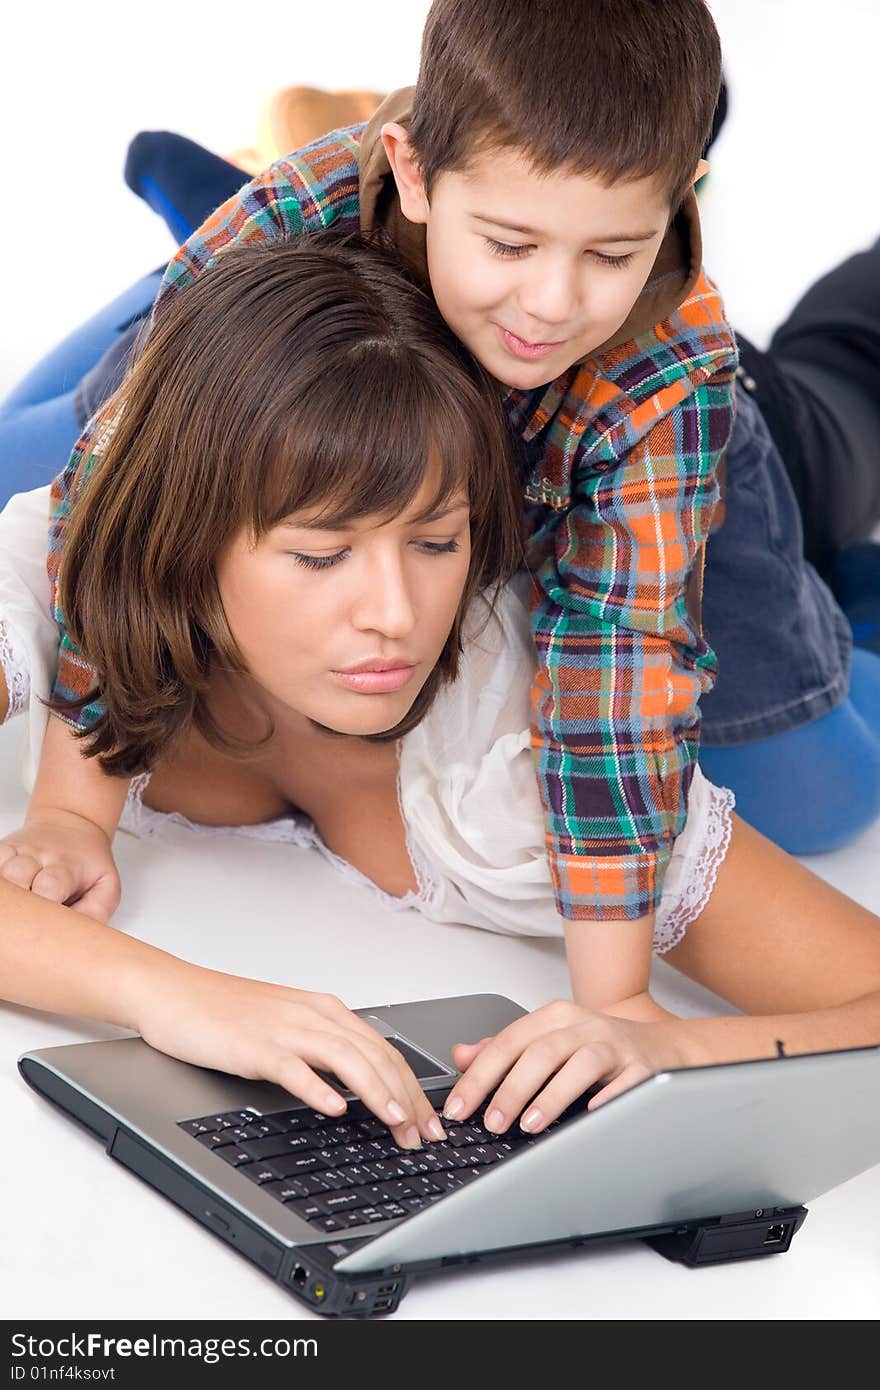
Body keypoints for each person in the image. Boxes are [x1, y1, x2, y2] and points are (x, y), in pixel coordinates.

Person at [1, 234, 878, 1149]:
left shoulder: (529, 755)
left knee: (820, 768)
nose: (395, 616)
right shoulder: (57, 562)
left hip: (739, 438)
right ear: (180, 535)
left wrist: (685, 1054)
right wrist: (168, 998)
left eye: (435, 543)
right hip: (309, 358)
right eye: (320, 554)